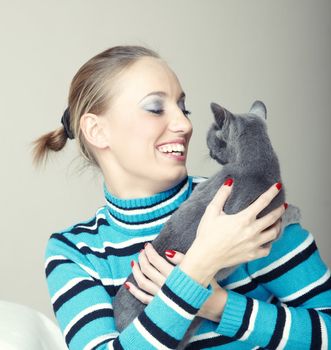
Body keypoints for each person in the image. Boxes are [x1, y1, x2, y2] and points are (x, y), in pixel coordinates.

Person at [33, 45, 331, 349]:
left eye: (183, 107)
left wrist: (220, 305)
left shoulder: (246, 207)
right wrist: (198, 268)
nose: (185, 124)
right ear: (97, 130)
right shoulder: (75, 252)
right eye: (155, 108)